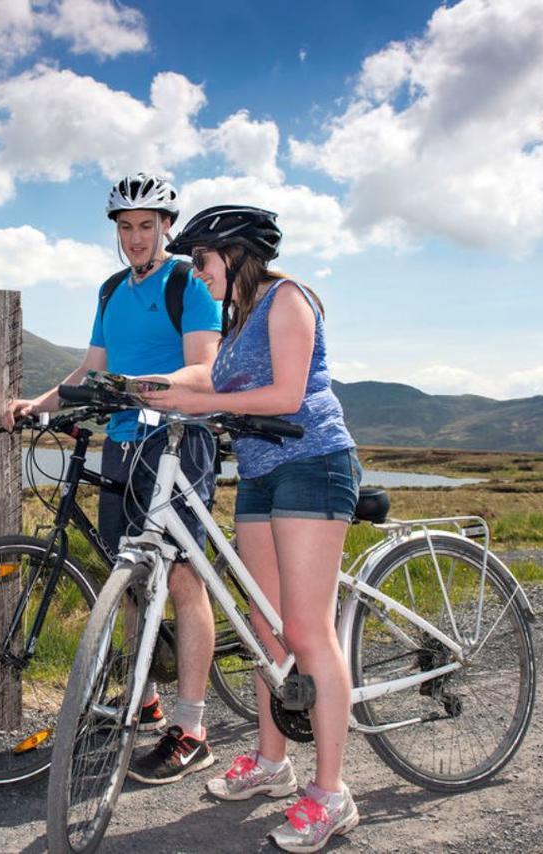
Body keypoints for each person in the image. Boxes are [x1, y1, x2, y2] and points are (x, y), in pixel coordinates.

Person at [143, 205, 362, 852]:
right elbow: (208, 374)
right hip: (263, 474)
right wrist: (146, 385)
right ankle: (272, 763)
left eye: (203, 261)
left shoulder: (287, 299)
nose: (198, 274)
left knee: (305, 631)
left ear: (235, 254)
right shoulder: (238, 326)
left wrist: (203, 405)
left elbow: (289, 393)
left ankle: (331, 795)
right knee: (264, 626)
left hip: (313, 465)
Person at [2, 173, 225, 785]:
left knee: (181, 577)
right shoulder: (110, 290)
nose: (135, 237)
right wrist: (37, 405)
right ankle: (141, 699)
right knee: (125, 576)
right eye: (126, 227)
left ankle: (192, 727)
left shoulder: (187, 283)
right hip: (123, 445)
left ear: (166, 228)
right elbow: (89, 369)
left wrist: (141, 389)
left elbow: (204, 368)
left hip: (178, 441)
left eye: (147, 225)